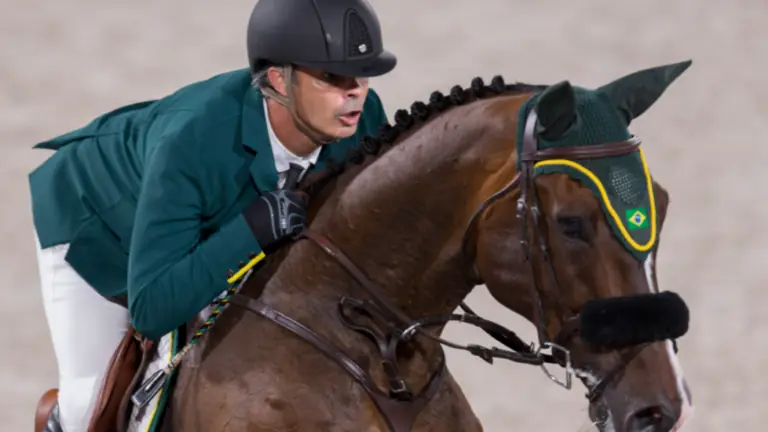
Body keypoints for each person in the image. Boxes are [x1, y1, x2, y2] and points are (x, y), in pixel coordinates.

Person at [29, 0, 396, 430]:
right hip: (95, 223)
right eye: (333, 77)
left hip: (192, 211)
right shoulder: (191, 144)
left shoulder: (362, 118)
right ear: (279, 79)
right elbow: (152, 309)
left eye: (363, 74)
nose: (356, 91)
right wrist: (251, 231)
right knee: (88, 406)